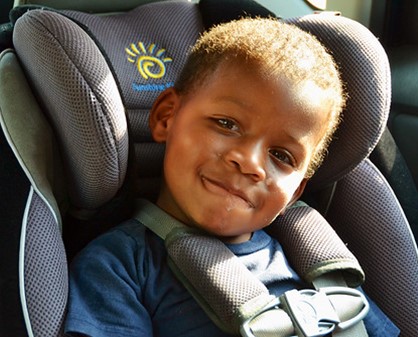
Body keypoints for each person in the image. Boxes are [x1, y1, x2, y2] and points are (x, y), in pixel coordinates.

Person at [64, 17, 399, 337]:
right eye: (226, 124)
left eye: (281, 156)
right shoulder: (119, 266)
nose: (249, 162)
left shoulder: (316, 260)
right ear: (167, 117)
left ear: (296, 191)